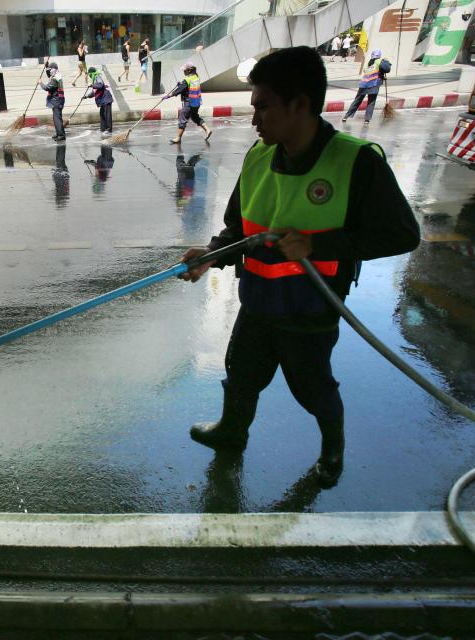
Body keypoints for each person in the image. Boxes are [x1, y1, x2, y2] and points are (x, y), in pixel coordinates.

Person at [177, 46, 419, 488]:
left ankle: (332, 452)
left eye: (263, 107)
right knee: (241, 375)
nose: (255, 120)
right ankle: (232, 432)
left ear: (300, 105)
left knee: (312, 389)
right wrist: (211, 254)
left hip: (311, 312)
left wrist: (318, 243)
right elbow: (239, 228)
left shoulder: (356, 161)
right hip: (257, 304)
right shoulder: (257, 157)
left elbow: (403, 235)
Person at [167, 62, 212, 144]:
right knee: (194, 116)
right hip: (197, 102)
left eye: (184, 70)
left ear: (188, 70)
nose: (183, 71)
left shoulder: (187, 80)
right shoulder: (196, 77)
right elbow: (186, 87)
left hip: (189, 102)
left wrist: (169, 95)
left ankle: (178, 138)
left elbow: (180, 90)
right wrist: (181, 84)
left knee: (182, 118)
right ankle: (207, 129)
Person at [342, 49, 391, 124]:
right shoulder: (379, 61)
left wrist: (382, 77)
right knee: (371, 102)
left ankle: (346, 116)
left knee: (357, 100)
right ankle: (367, 119)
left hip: (363, 84)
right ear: (379, 55)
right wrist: (386, 61)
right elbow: (387, 69)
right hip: (373, 85)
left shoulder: (369, 63)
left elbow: (372, 73)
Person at [39, 61, 66, 141]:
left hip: (57, 100)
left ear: (53, 69)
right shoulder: (56, 75)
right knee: (56, 118)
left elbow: (47, 88)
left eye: (51, 69)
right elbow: (49, 74)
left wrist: (40, 83)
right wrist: (46, 67)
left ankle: (61, 135)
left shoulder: (55, 79)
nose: (50, 71)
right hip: (58, 99)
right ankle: (59, 133)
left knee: (57, 118)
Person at [85, 67, 113, 137]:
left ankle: (108, 130)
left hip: (106, 98)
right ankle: (103, 128)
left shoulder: (97, 77)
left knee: (107, 115)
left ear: (92, 73)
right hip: (103, 100)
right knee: (102, 114)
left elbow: (100, 85)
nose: (89, 75)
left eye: (89, 74)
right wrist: (86, 96)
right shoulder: (94, 79)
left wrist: (92, 85)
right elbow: (94, 92)